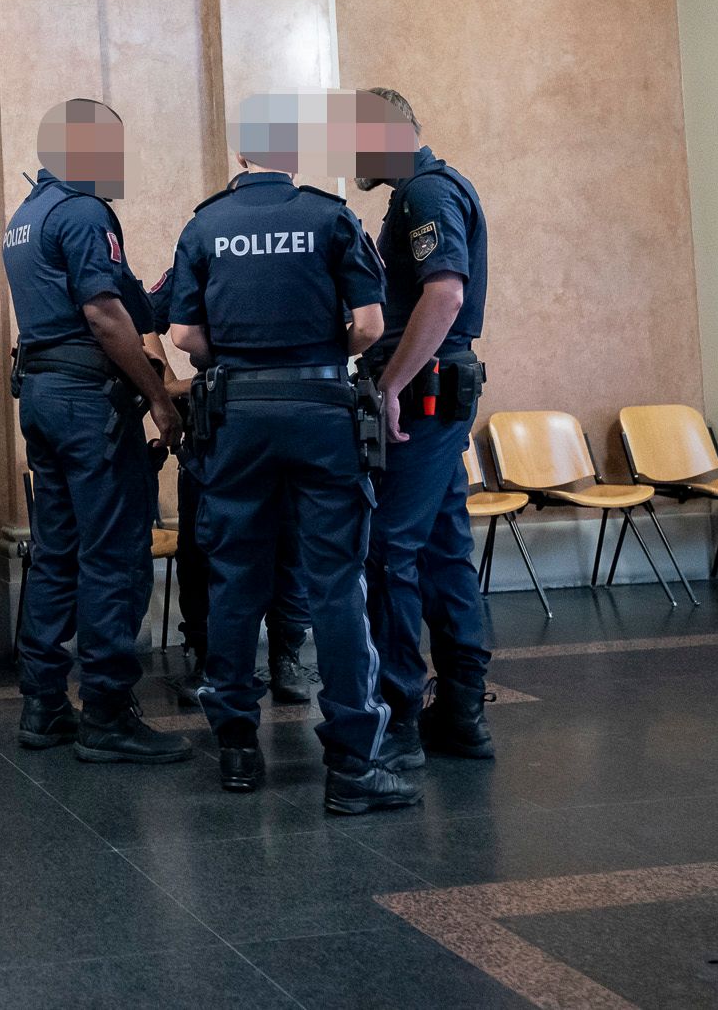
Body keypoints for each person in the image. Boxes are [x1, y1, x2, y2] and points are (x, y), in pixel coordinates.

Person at [162, 96, 418, 814]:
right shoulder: (332, 216)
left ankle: (239, 749)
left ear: (240, 154)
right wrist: (312, 350)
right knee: (336, 584)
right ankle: (351, 767)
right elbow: (369, 323)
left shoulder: (205, 223)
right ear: (295, 153)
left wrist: (244, 359)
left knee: (237, 579)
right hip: (320, 413)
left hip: (237, 417)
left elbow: (181, 334)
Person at [2, 101, 190, 764]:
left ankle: (43, 703)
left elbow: (129, 297)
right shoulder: (84, 212)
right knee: (112, 554)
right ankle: (108, 712)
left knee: (57, 552)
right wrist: (158, 398)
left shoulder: (25, 217)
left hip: (45, 397)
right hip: (89, 404)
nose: (119, 161)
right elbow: (106, 315)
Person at [353, 87, 495, 768]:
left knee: (389, 548)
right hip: (440, 391)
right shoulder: (423, 191)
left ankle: (400, 708)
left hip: (425, 395)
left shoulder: (423, 195)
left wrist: (389, 385)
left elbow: (445, 293)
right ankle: (461, 708)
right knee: (441, 546)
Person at [144, 312, 315, 710]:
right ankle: (208, 658)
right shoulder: (208, 250)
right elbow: (143, 314)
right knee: (203, 552)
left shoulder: (303, 251)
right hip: (217, 424)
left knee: (287, 548)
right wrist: (167, 384)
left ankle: (284, 656)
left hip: (283, 412)